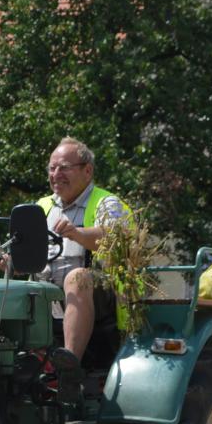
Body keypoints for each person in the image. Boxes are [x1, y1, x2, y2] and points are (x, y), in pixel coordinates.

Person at [33, 137, 131, 366]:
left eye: (64, 168)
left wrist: (78, 233)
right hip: (47, 289)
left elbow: (116, 241)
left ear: (87, 171)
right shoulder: (42, 206)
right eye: (52, 167)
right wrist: (12, 261)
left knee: (77, 278)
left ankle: (69, 366)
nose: (56, 174)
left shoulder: (108, 203)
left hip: (100, 293)